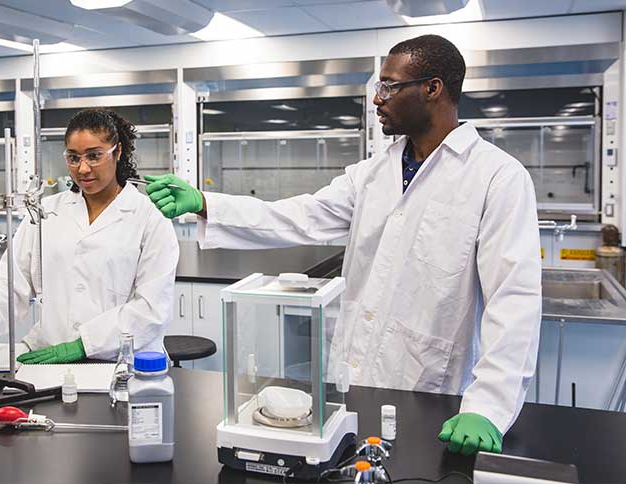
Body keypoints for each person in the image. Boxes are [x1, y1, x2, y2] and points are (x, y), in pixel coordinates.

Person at [144, 35, 541, 456]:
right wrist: (207, 203)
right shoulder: (372, 173)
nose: (376, 99)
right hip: (351, 383)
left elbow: (513, 299)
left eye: (389, 86)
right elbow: (301, 216)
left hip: (430, 389)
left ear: (432, 88)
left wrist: (489, 405)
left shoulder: (497, 178)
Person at [0, 109, 179, 363]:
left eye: (94, 156)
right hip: (51, 357)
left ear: (118, 151)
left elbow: (152, 309)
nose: (83, 168)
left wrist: (83, 344)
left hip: (122, 363)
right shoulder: (45, 212)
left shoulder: (150, 217)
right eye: (73, 157)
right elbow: (12, 283)